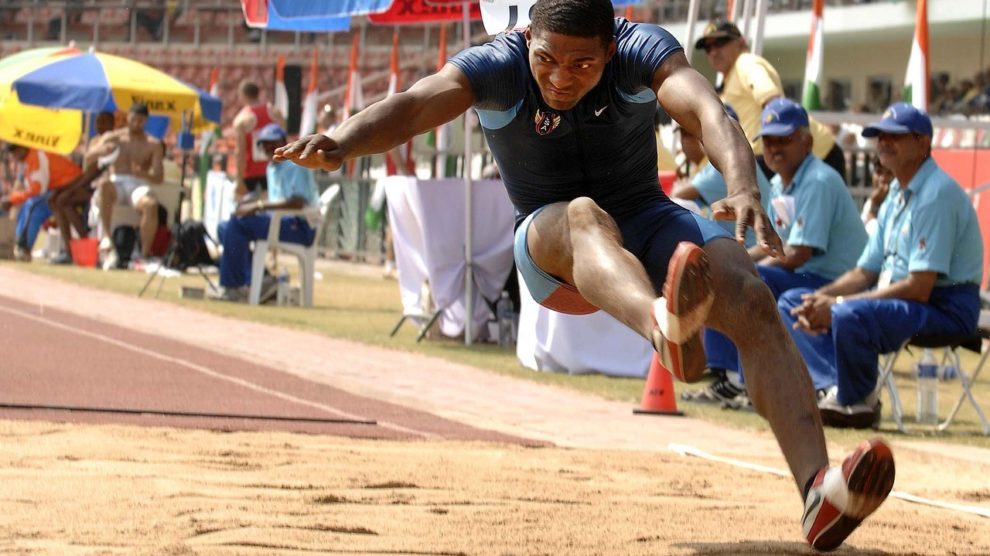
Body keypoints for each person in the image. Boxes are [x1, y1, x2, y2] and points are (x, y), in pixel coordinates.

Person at [276, 1, 894, 549]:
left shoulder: (641, 50)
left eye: (582, 65)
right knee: (581, 214)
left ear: (611, 48)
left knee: (749, 292)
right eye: (547, 60)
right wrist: (342, 140)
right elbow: (413, 105)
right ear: (527, 40)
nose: (561, 78)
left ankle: (818, 491)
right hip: (554, 246)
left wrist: (741, 184)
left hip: (646, 219)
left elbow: (708, 108)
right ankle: (664, 326)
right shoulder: (496, 64)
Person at [779, 103, 983, 429]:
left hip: (945, 308)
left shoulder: (936, 194)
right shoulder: (896, 195)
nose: (884, 142)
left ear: (923, 143)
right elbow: (864, 272)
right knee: (793, 302)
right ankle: (833, 388)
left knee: (846, 313)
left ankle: (858, 402)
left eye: (895, 136)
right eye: (880, 135)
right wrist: (821, 298)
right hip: (905, 301)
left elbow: (919, 288)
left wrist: (837, 303)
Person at [690, 99, 868, 404]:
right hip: (807, 275)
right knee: (725, 272)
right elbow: (772, 244)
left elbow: (799, 253)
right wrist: (734, 259)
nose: (774, 148)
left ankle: (742, 379)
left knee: (743, 280)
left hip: (835, 281)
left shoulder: (819, 180)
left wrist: (742, 266)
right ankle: (732, 376)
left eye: (784, 139)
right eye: (769, 140)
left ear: (807, 142)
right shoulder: (781, 183)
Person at [695, 20, 847, 181]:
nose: (713, 52)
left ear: (741, 43)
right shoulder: (728, 81)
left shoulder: (745, 63)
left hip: (817, 154)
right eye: (708, 48)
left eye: (720, 42)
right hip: (786, 157)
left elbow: (773, 102)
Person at [212, 124, 318, 303]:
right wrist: (250, 205)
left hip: (301, 226)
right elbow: (276, 201)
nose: (269, 148)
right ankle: (262, 280)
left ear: (284, 142)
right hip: (281, 222)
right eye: (264, 144)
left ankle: (233, 288)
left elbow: (298, 202)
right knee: (225, 227)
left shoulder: (296, 164)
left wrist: (258, 206)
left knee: (236, 225)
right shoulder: (271, 168)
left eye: (272, 143)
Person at [92, 103, 164, 264]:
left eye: (140, 121)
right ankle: (107, 239)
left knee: (151, 205)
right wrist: (101, 152)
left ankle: (144, 255)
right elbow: (89, 157)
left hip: (138, 184)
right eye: (133, 119)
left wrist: (143, 173)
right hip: (116, 182)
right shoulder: (114, 138)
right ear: (128, 117)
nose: (136, 124)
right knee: (104, 186)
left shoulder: (153, 144)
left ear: (146, 121)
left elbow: (159, 177)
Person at [48, 111, 117, 264]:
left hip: (103, 187)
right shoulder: (94, 142)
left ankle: (83, 243)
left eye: (104, 122)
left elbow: (96, 171)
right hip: (89, 184)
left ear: (112, 124)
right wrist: (68, 187)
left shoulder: (112, 142)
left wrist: (72, 189)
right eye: (98, 122)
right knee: (54, 200)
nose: (99, 125)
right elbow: (87, 172)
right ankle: (71, 248)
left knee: (62, 200)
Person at [0, 143, 82, 262]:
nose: (13, 157)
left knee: (34, 205)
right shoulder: (27, 159)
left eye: (13, 153)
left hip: (73, 185)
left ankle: (23, 247)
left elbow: (38, 190)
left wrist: (12, 199)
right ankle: (18, 244)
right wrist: (13, 199)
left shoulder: (36, 155)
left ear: (21, 149)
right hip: (60, 188)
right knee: (28, 205)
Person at [232, 80, 285, 197]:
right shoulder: (275, 112)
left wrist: (239, 180)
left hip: (251, 173)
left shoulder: (242, 119)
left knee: (245, 205)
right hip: (274, 169)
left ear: (242, 95)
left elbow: (240, 152)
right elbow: (284, 140)